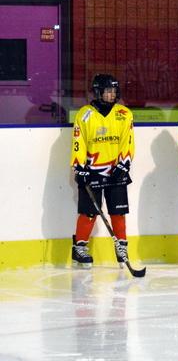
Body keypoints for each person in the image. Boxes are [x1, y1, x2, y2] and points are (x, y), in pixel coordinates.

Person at [70, 74, 135, 268]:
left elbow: (128, 141)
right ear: (98, 92)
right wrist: (79, 167)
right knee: (89, 213)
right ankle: (80, 247)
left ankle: (121, 247)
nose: (111, 94)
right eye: (108, 91)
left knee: (118, 213)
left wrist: (124, 165)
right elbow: (78, 142)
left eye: (114, 91)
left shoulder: (124, 113)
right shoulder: (85, 114)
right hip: (92, 172)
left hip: (116, 170)